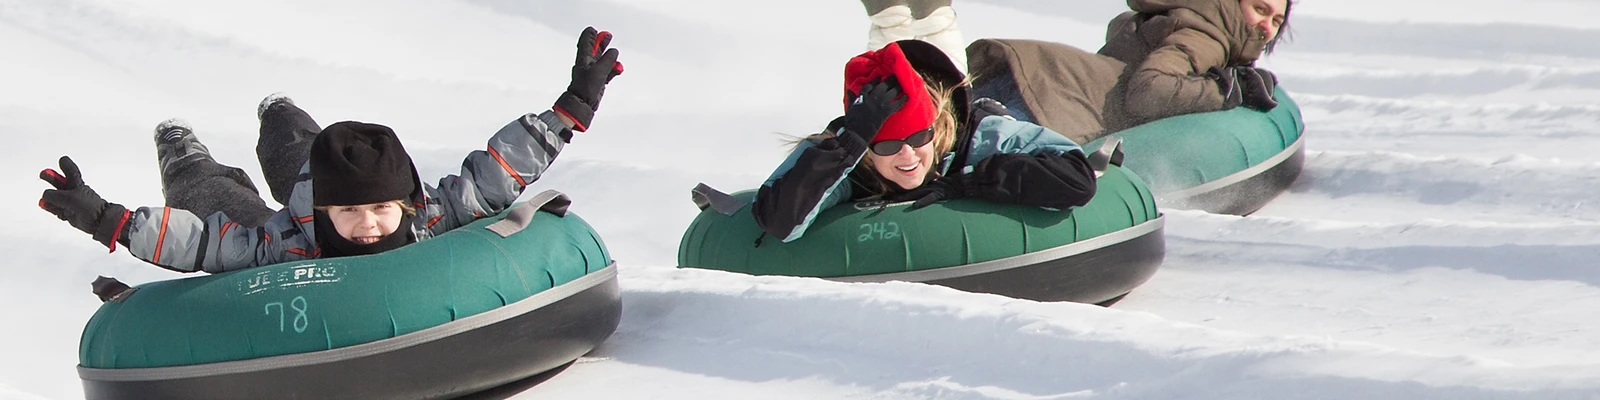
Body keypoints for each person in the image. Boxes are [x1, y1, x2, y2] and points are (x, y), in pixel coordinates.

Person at [37, 26, 624, 273]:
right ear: (321, 215)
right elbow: (204, 244)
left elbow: (496, 174)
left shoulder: (432, 216)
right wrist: (107, 219)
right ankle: (184, 151)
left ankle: (280, 113)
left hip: (322, 186)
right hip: (291, 219)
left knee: (306, 151)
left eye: (379, 210)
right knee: (214, 199)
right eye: (351, 214)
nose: (368, 226)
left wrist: (570, 110)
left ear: (406, 204)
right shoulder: (286, 240)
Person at [752, 40, 1097, 243]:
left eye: (919, 137)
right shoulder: (842, 155)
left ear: (936, 127)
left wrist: (964, 183)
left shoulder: (980, 135)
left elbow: (1076, 181)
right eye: (887, 146)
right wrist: (852, 143)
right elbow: (781, 222)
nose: (907, 155)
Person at [966, 0, 1292, 144]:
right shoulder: (1207, 36)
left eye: (1276, 21)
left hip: (1025, 81)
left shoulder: (1188, 14)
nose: (1266, 27)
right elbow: (1147, 91)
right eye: (1260, 9)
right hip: (1039, 104)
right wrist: (1223, 91)